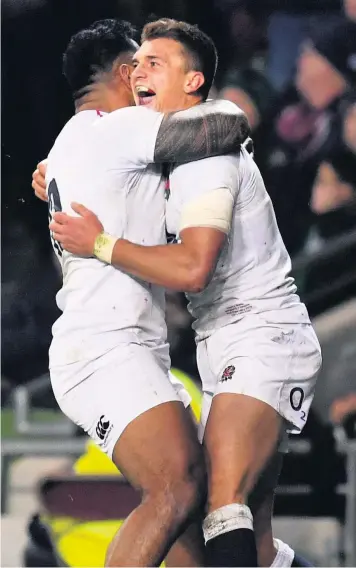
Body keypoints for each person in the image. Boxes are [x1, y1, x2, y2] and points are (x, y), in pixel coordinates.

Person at [48, 18, 323, 567]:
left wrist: (101, 240)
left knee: (207, 508)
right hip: (121, 349)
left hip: (255, 330)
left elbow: (195, 266)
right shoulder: (118, 133)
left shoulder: (130, 146)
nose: (144, 74)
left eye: (158, 64)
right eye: (139, 63)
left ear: (193, 82)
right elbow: (214, 127)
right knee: (184, 496)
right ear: (123, 74)